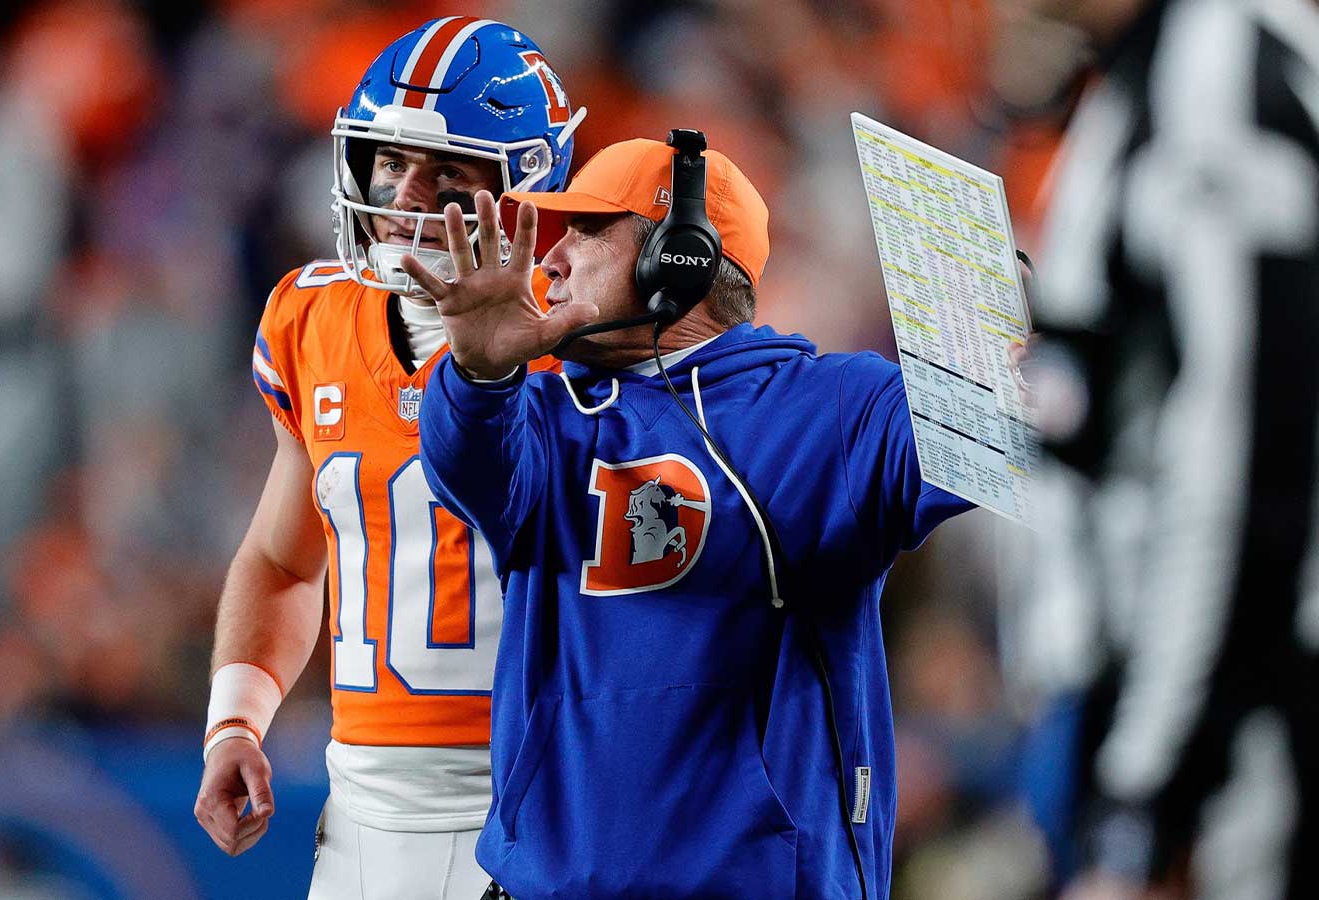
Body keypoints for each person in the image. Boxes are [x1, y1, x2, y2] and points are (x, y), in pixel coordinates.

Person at [403, 135, 975, 899]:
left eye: (588, 230)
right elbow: (464, 462)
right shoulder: (541, 415)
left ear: (679, 258)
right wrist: (479, 372)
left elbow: (986, 442)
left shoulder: (832, 409)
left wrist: (992, 347)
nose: (552, 259)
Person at [191, 17, 584, 899]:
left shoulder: (589, 345)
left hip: (541, 810)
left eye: (447, 172)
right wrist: (236, 724)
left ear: (526, 187)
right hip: (360, 813)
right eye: (389, 162)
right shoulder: (311, 320)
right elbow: (286, 560)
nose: (404, 195)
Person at [1006, 0, 1319, 897]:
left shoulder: (1215, 72)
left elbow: (1254, 455)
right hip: (1180, 692)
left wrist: (1153, 787)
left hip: (1242, 721)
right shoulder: (1147, 77)